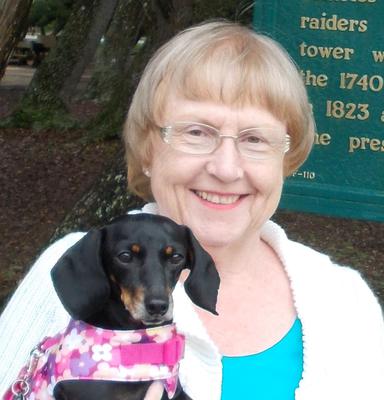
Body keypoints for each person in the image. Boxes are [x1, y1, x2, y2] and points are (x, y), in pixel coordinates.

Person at [1, 20, 383, 400]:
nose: (226, 168)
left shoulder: (344, 299)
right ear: (148, 149)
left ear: (286, 160)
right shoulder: (71, 269)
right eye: (197, 132)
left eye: (254, 138)